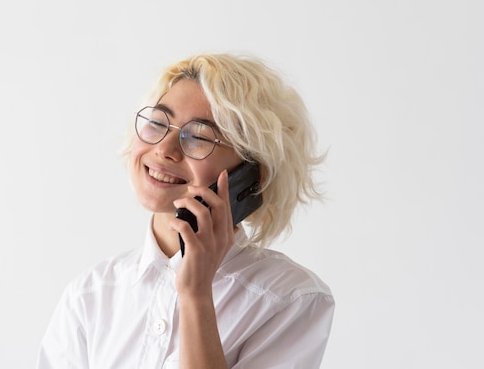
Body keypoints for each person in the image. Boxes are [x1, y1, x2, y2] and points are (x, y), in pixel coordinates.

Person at [36, 53, 334, 368]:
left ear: (247, 175)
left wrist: (196, 294)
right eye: (157, 123)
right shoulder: (90, 295)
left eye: (198, 137)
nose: (164, 149)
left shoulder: (290, 299)